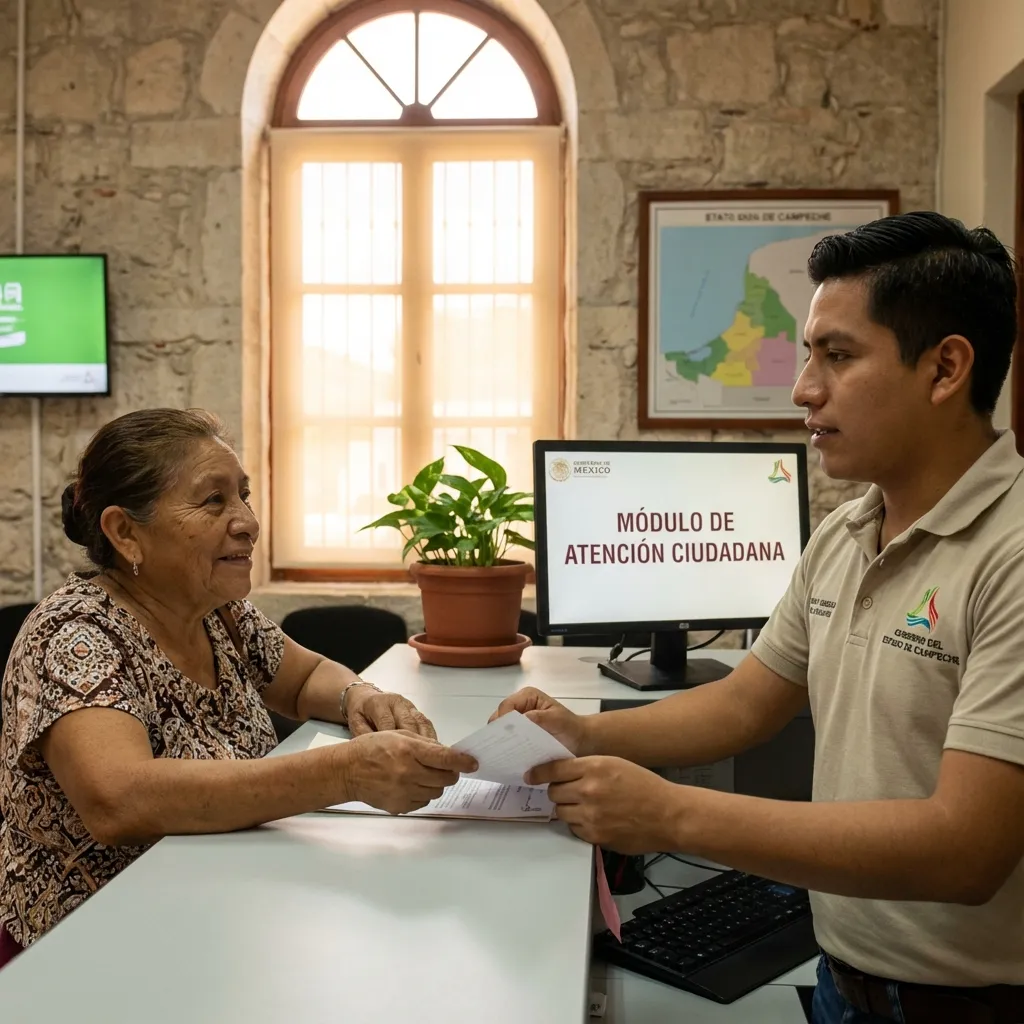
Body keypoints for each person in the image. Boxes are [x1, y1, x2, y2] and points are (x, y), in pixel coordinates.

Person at [493, 212, 1024, 1023]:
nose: (804, 388)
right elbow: (747, 702)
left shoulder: (1013, 552)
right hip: (842, 980)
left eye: (838, 356)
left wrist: (670, 814)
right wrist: (587, 734)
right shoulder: (847, 534)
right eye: (810, 355)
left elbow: (965, 851)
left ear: (946, 367)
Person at [0, 408, 476, 962]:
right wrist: (346, 771)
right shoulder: (75, 633)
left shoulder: (219, 613)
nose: (247, 520)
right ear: (125, 532)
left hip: (212, 917)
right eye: (213, 500)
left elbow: (304, 680)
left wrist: (362, 697)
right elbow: (118, 801)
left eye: (244, 495)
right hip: (91, 951)